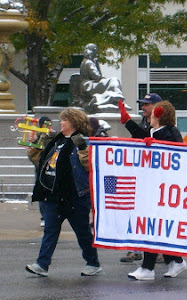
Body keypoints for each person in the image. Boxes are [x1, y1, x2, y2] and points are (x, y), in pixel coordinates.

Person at [25, 108, 102, 277]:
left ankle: (93, 263)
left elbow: (90, 166)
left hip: (75, 196)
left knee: (82, 233)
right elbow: (40, 160)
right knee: (50, 231)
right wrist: (34, 145)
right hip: (54, 195)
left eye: (64, 120)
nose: (61, 123)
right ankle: (42, 264)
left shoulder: (84, 142)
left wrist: (82, 148)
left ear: (74, 122)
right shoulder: (56, 141)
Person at [127, 101, 187, 281]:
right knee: (155, 228)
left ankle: (148, 268)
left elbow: (172, 152)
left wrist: (154, 144)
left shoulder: (169, 133)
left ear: (159, 115)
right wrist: (126, 120)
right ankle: (175, 260)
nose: (149, 116)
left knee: (152, 226)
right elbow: (140, 135)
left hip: (164, 189)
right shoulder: (156, 132)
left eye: (153, 113)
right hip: (154, 186)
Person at [118, 92, 164, 263]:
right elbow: (138, 139)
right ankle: (135, 249)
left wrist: (128, 122)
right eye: (142, 104)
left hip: (157, 179)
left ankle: (159, 252)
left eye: (147, 104)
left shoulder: (163, 125)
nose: (143, 107)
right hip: (143, 175)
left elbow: (145, 137)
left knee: (154, 214)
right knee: (136, 212)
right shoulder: (146, 121)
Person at [80, 43, 130, 113]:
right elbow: (96, 76)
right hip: (89, 86)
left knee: (112, 81)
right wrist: (103, 78)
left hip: (87, 85)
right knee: (113, 80)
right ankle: (117, 97)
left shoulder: (86, 61)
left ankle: (115, 98)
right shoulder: (89, 62)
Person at [27, 116, 56, 227]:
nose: (47, 126)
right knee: (42, 192)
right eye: (44, 124)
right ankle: (44, 216)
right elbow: (32, 155)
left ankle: (53, 215)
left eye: (48, 124)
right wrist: (34, 142)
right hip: (40, 168)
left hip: (52, 167)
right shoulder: (37, 137)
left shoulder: (55, 136)